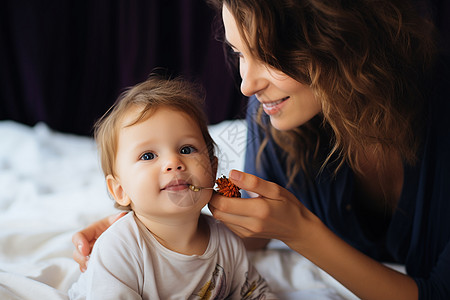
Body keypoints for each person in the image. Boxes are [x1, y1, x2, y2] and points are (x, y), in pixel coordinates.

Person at [73, 1, 450, 299]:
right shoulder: (274, 117)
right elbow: (255, 229)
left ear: (341, 38)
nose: (246, 85)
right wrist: (157, 229)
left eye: (268, 56)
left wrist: (302, 233)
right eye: (239, 54)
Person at [68, 75, 276, 299]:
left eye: (187, 149)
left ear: (213, 170)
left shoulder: (227, 242)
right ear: (119, 190)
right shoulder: (119, 249)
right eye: (148, 155)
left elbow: (255, 293)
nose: (173, 163)